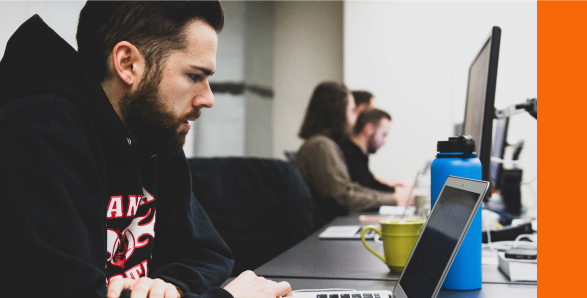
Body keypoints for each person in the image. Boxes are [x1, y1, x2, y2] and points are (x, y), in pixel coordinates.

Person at [0, 2, 291, 298]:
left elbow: (208, 252)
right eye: (194, 76)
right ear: (127, 64)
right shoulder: (38, 137)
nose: (207, 98)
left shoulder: (152, 134)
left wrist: (170, 287)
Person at [295, 82, 398, 230]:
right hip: (323, 232)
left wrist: (392, 198)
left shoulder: (324, 145)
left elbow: (350, 189)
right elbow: (343, 197)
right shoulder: (321, 146)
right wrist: (393, 199)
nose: (355, 119)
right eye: (352, 111)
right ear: (337, 113)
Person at [338, 108, 396, 193]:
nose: (384, 142)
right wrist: (396, 196)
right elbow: (363, 192)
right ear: (369, 130)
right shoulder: (348, 156)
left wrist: (396, 190)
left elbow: (371, 183)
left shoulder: (360, 155)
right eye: (384, 135)